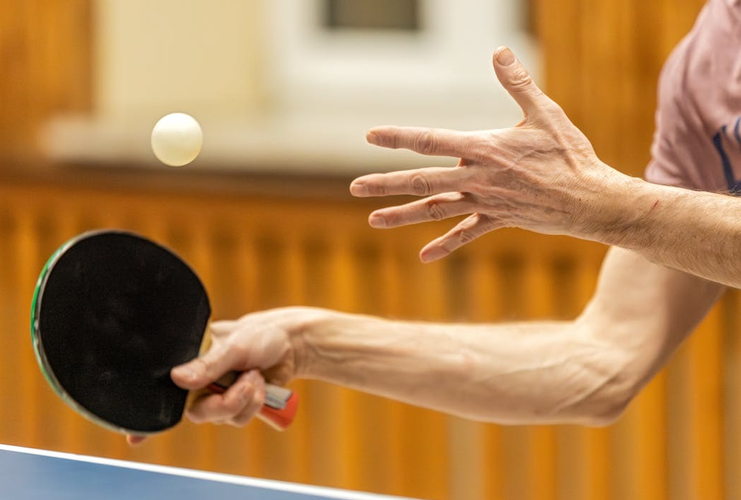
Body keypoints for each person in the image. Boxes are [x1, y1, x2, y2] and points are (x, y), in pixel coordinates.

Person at [130, 0, 740, 442]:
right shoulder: (704, 71)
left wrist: (603, 207)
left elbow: (614, 216)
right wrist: (308, 340)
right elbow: (602, 360)